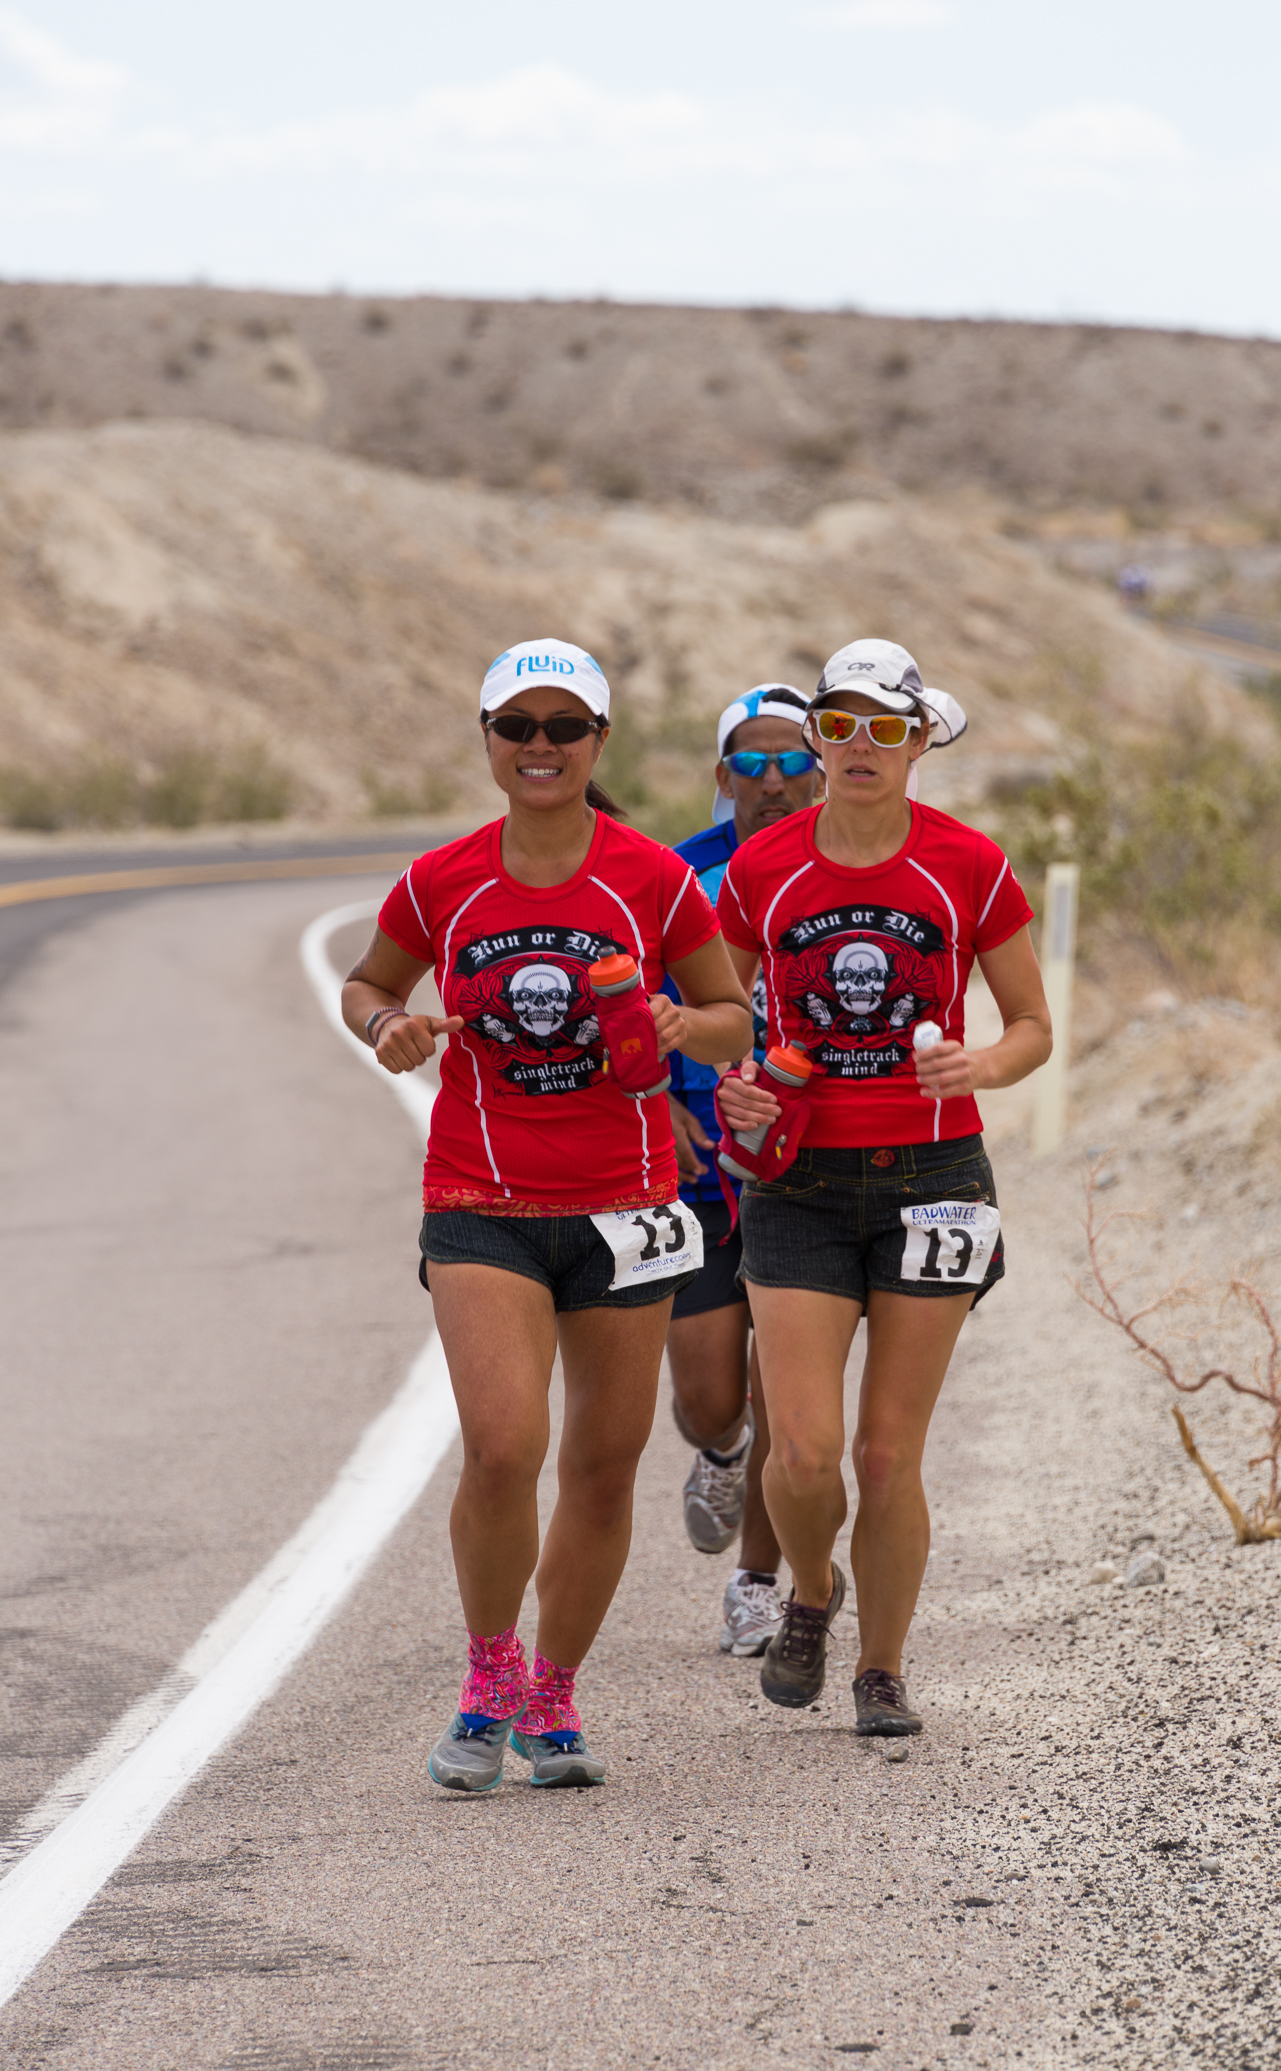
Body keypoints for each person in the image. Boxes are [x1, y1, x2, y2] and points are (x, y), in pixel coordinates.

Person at [342, 639, 752, 1791]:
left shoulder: (652, 880)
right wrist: (387, 1029)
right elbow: (368, 982)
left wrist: (682, 1030)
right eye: (515, 725)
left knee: (604, 1466)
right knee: (502, 1443)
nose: (537, 746)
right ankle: (486, 1677)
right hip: (479, 1195)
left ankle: (552, 1694)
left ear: (597, 745)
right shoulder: (443, 879)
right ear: (485, 738)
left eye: (561, 727)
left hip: (624, 1205)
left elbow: (727, 1013)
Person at [714, 639, 1052, 1737]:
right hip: (798, 1184)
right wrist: (738, 1088)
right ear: (812, 737)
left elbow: (1032, 1029)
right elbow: (727, 1020)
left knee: (884, 1450)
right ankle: (811, 1587)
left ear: (919, 742)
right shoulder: (762, 871)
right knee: (802, 1448)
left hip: (933, 1180)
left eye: (885, 728)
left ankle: (881, 1669)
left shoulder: (969, 864)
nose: (860, 747)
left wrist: (978, 1064)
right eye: (839, 725)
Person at [662, 684, 822, 1656]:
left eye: (788, 761)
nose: (771, 781)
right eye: (750, 765)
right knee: (712, 1399)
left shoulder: (849, 870)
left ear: (815, 768)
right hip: (702, 1169)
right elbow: (628, 998)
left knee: (784, 1392)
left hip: (811, 1169)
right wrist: (658, 1098)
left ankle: (758, 1581)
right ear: (724, 776)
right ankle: (718, 1453)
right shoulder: (679, 875)